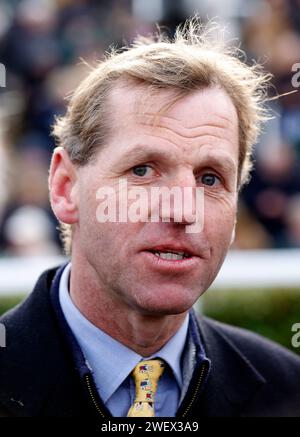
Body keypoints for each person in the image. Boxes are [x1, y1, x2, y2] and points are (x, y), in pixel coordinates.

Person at [0, 18, 300, 418]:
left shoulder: (287, 391)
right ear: (65, 188)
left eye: (210, 178)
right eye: (142, 170)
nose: (183, 210)